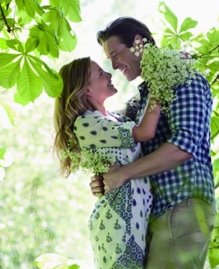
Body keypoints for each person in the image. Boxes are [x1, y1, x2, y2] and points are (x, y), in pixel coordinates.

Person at [90, 17, 217, 269]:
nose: (114, 65)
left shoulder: (183, 78)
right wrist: (106, 178)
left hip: (182, 203)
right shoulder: (144, 99)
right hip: (151, 213)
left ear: (138, 43)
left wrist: (124, 174)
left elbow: (185, 145)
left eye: (116, 54)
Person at [52, 57, 161, 269]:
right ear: (87, 90)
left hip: (135, 219)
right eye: (101, 74)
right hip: (119, 223)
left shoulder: (112, 118)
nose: (110, 74)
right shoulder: (86, 123)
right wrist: (159, 85)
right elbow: (145, 132)